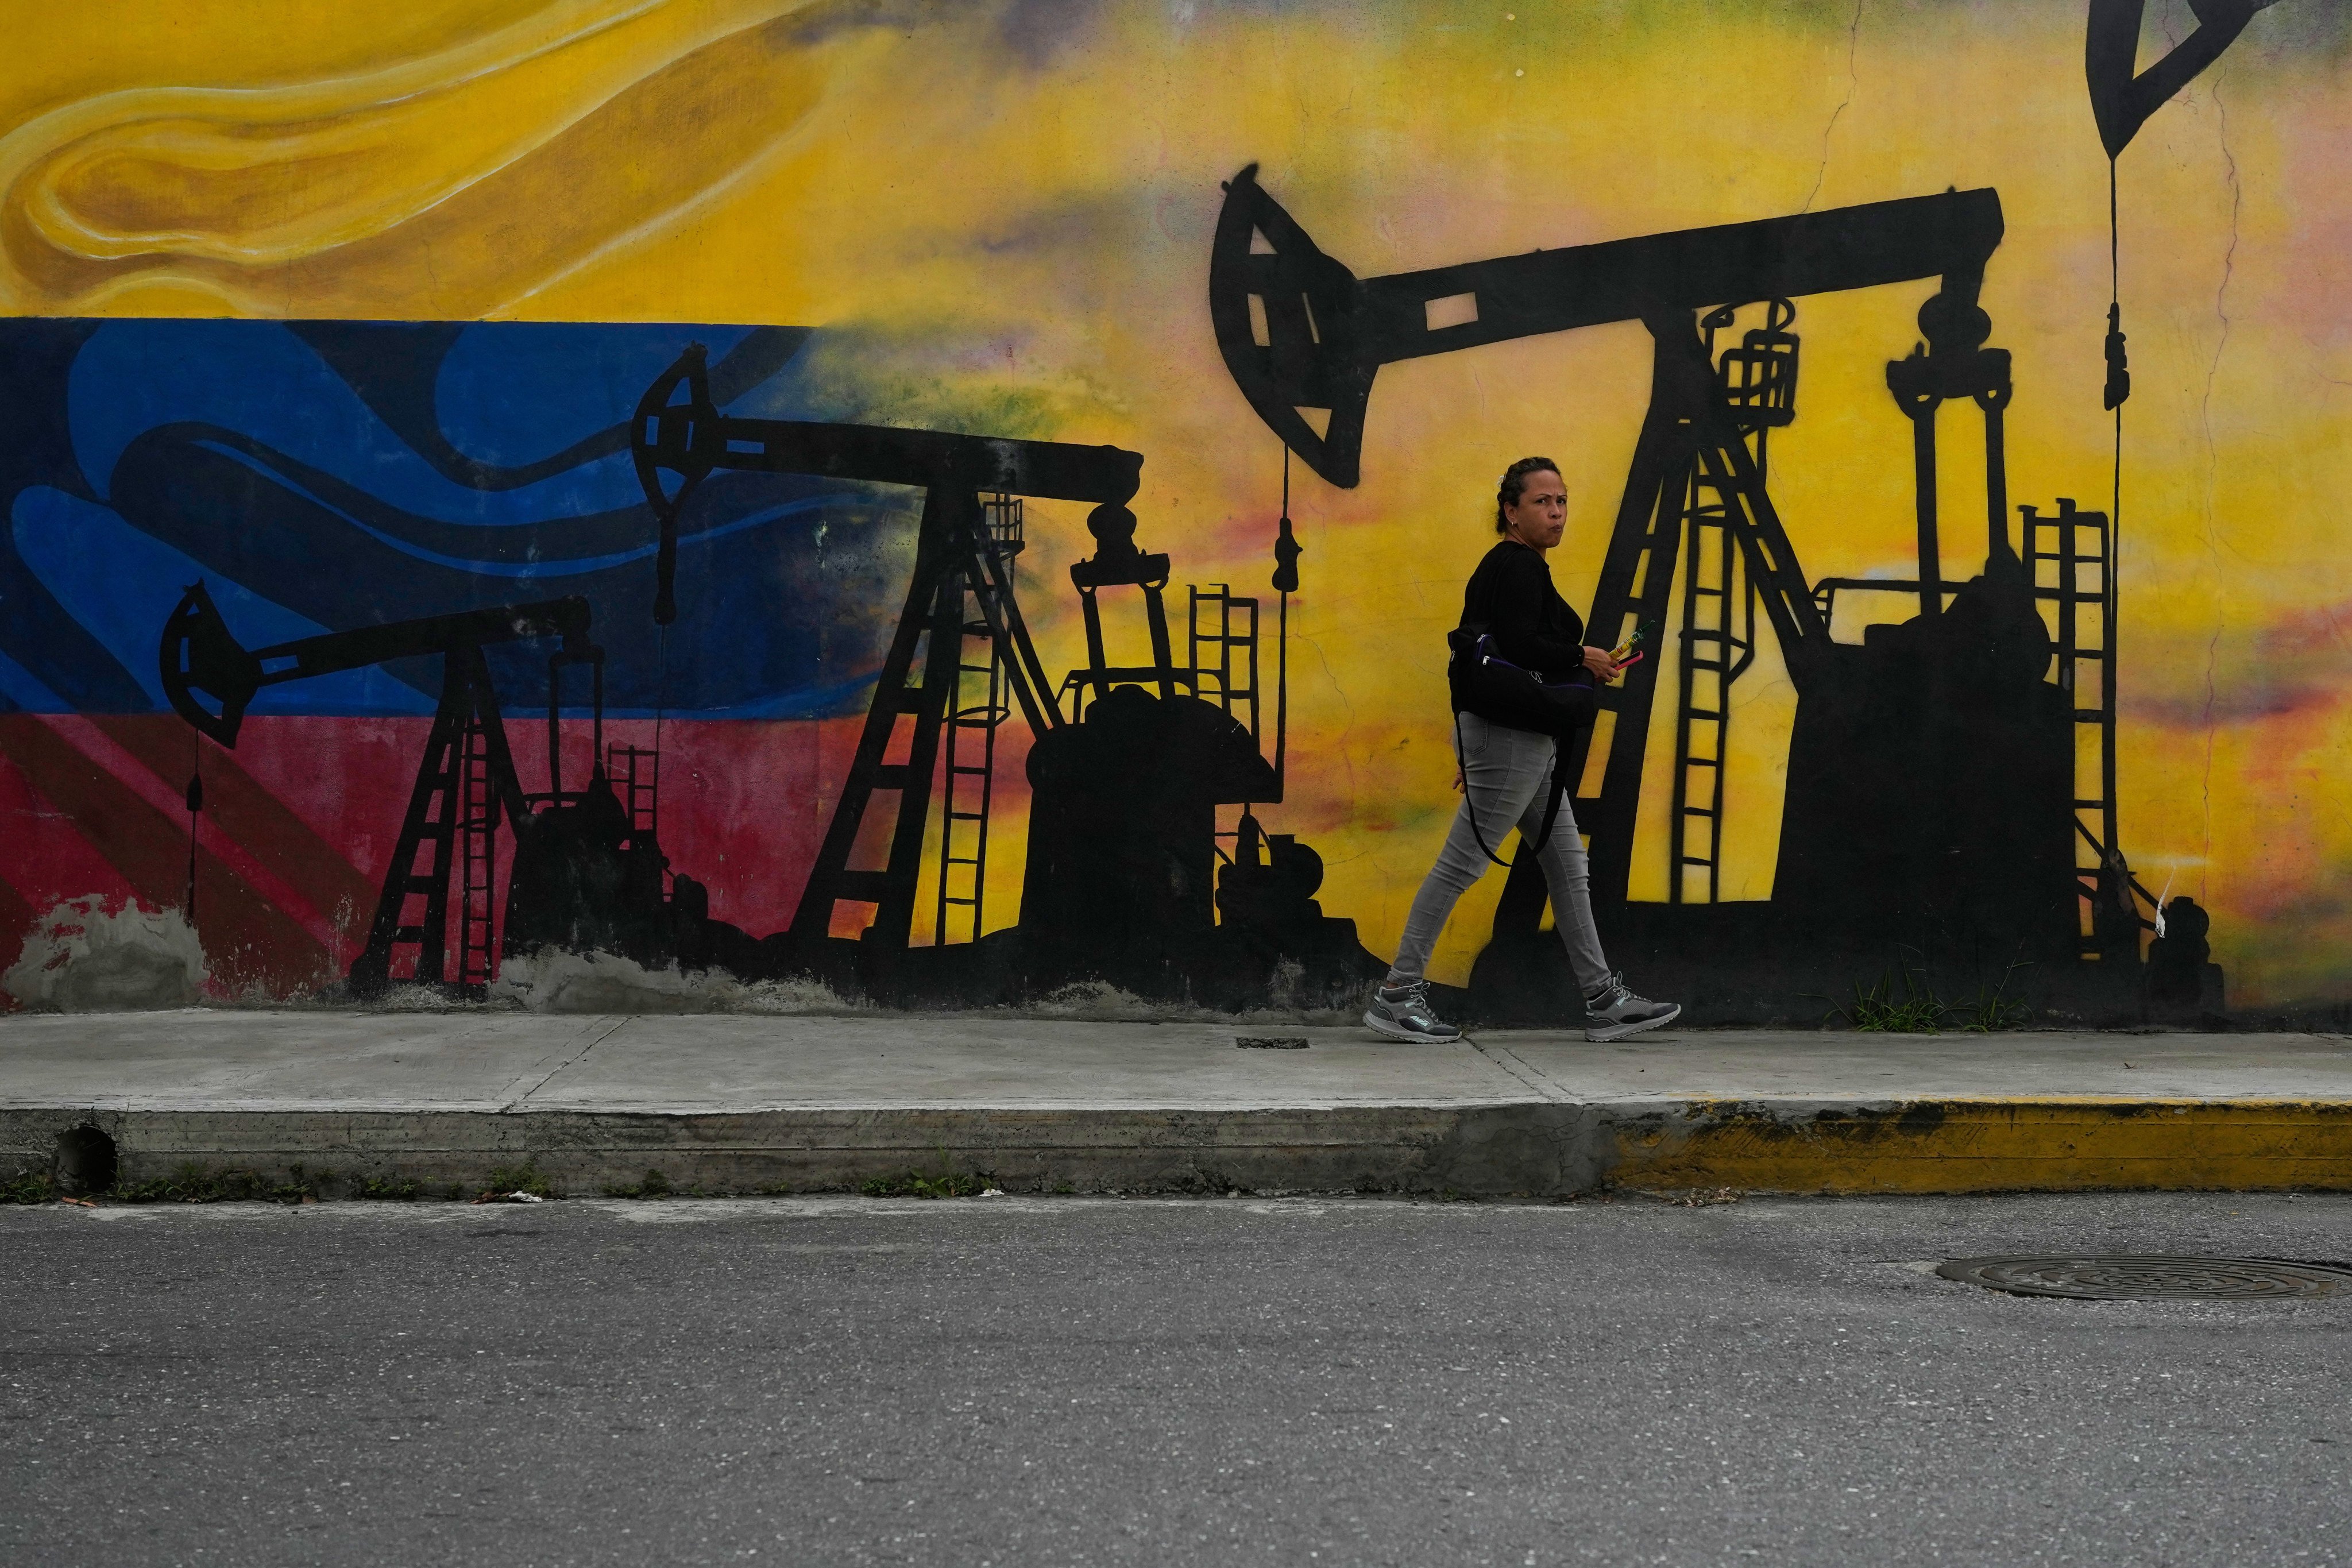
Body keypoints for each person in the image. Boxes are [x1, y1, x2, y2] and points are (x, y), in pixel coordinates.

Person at [1364, 457, 1683, 1045]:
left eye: (1562, 501)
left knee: (1567, 866)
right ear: (1511, 511)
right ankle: (1398, 993)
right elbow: (1518, 646)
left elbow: (1479, 659)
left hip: (1515, 740)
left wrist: (1473, 741)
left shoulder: (1508, 569)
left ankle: (1603, 998)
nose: (1556, 512)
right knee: (1462, 865)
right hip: (1512, 742)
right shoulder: (1515, 567)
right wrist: (1582, 657)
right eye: (1542, 502)